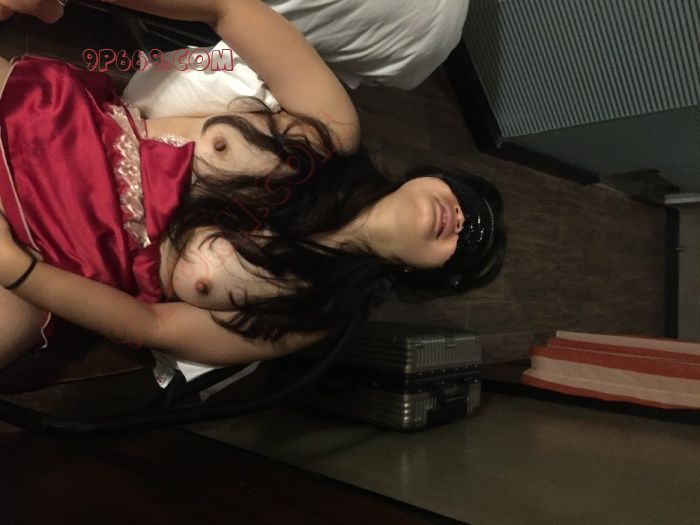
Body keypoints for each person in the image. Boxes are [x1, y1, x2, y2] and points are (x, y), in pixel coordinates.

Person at [0, 0, 505, 369]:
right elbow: (228, 10)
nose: (462, 218)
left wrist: (18, 270)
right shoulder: (330, 129)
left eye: (468, 245)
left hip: (49, 262)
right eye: (468, 199)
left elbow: (150, 326)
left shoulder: (310, 312)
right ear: (434, 176)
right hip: (47, 126)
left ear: (425, 274)